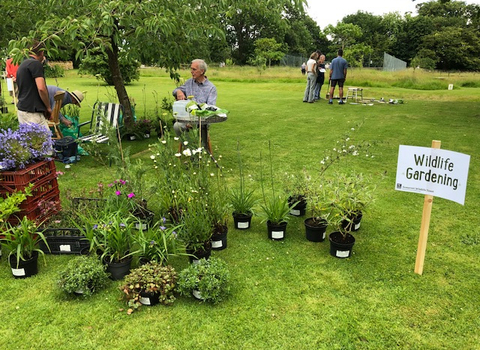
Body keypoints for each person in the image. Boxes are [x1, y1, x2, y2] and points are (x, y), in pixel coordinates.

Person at [172, 59, 217, 141]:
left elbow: (211, 109)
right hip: (187, 117)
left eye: (194, 69)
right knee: (177, 126)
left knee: (203, 128)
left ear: (202, 71)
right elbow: (175, 90)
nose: (191, 71)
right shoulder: (189, 83)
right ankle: (189, 148)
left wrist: (195, 120)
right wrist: (179, 91)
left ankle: (203, 151)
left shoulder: (211, 88)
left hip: (202, 120)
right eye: (191, 69)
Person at [16, 39, 52, 128]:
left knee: (30, 141)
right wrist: (48, 107)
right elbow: (41, 88)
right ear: (42, 52)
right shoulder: (35, 64)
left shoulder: (23, 64)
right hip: (33, 112)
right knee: (45, 140)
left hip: (23, 109)